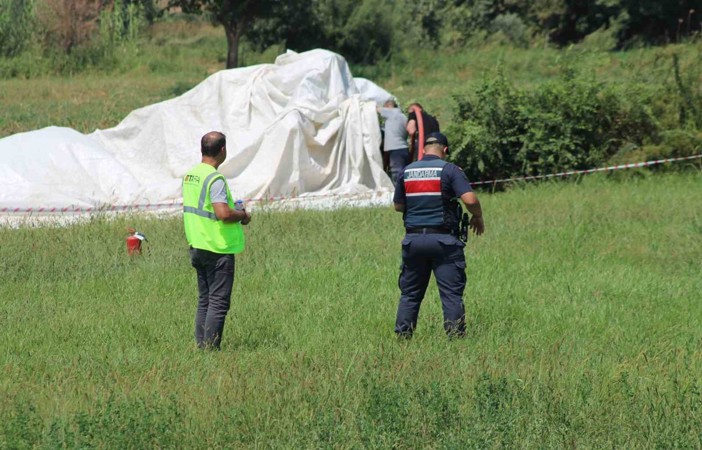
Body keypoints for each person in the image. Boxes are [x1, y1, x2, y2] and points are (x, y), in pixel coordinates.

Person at [392, 132, 484, 338]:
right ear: (445, 150)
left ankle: (403, 338)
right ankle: (456, 339)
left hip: (413, 241)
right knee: (451, 295)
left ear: (423, 149)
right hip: (444, 241)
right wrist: (477, 216)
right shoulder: (450, 170)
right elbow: (469, 200)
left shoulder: (406, 171)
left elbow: (398, 206)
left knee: (410, 294)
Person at [182, 131, 251, 350]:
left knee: (205, 300)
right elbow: (223, 213)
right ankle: (211, 351)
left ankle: (202, 347)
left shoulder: (191, 175)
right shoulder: (215, 178)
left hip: (198, 244)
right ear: (222, 150)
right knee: (218, 302)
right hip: (216, 247)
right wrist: (243, 215)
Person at [377, 98, 410, 183]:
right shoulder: (403, 117)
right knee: (404, 173)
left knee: (397, 174)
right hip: (404, 148)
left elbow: (375, 108)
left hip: (395, 149)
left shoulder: (391, 112)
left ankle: (398, 194)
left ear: (388, 106)